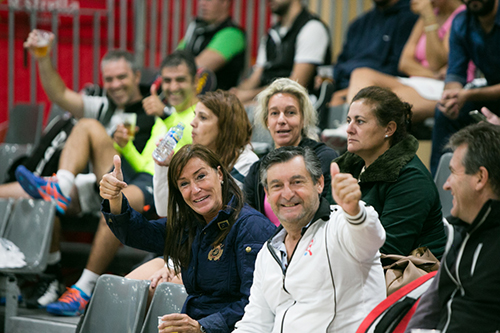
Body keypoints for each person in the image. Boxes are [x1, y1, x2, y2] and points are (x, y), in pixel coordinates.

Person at [14, 50, 199, 316]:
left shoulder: (195, 114)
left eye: (180, 80)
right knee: (87, 125)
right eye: (167, 81)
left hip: (165, 187)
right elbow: (146, 160)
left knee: (112, 209)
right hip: (141, 176)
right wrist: (123, 148)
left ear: (196, 81)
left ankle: (83, 287)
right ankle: (61, 186)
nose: (172, 87)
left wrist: (168, 115)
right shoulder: (160, 115)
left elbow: (192, 156)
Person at [0, 30, 158, 312]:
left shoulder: (155, 105)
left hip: (140, 182)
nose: (115, 84)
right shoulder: (102, 106)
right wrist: (44, 57)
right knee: (14, 193)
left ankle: (83, 287)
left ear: (136, 76)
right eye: (108, 79)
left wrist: (165, 112)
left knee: (87, 128)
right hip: (101, 178)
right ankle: (48, 275)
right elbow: (59, 94)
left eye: (122, 77)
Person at [99, 145, 276, 333]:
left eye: (201, 176)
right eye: (184, 184)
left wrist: (203, 327)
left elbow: (256, 305)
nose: (195, 189)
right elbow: (140, 233)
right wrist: (115, 198)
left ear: (220, 174)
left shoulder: (251, 227)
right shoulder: (190, 224)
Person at [233, 146, 386, 332]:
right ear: (267, 193)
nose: (287, 194)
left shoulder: (340, 224)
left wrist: (354, 211)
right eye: (277, 186)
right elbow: (255, 323)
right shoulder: (268, 252)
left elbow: (371, 237)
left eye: (297, 182)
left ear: (319, 183)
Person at [126, 90, 260, 285]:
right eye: (195, 115)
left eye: (203, 117)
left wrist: (172, 266)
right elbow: (165, 211)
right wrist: (163, 167)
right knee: (126, 287)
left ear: (226, 126)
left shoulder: (246, 163)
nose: (192, 123)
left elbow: (213, 222)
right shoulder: (198, 159)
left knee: (156, 288)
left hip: (222, 258)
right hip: (190, 252)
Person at [405, 122, 500, 333]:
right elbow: (429, 309)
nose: (446, 184)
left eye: (453, 173)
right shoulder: (461, 233)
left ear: (480, 178)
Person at [333, 86, 446, 257]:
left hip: (410, 275)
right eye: (349, 120)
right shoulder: (346, 167)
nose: (349, 129)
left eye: (360, 121)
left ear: (389, 129)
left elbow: (388, 251)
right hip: (357, 265)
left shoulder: (412, 179)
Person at [345, 0, 468, 122]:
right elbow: (404, 63)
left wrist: (429, 17)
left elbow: (436, 62)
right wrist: (432, 75)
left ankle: (355, 128)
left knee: (380, 104)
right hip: (420, 81)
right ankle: (352, 124)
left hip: (446, 88)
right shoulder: (429, 15)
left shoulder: (460, 16)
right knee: (360, 74)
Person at [243, 78, 338, 226]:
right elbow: (249, 222)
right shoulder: (256, 171)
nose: (281, 120)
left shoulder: (323, 158)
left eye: (290, 112)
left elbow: (326, 216)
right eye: (274, 113)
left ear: (304, 119)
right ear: (267, 121)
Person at [430, 0, 500, 176]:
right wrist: (452, 98)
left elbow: (467, 92)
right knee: (445, 113)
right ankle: (441, 186)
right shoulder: (462, 22)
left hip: (488, 93)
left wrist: (467, 95)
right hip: (490, 93)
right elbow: (454, 74)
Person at [231, 0, 331, 104]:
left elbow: (296, 85)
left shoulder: (312, 28)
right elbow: (255, 79)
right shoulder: (271, 33)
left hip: (297, 108)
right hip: (267, 102)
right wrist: (233, 95)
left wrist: (249, 95)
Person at [330, 0, 418, 106]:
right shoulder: (358, 24)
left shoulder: (410, 19)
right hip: (341, 89)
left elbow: (397, 69)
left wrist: (349, 92)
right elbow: (341, 63)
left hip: (379, 90)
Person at [177, 0, 246, 90]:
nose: (202, 3)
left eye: (209, 0)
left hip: (215, 100)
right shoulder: (197, 28)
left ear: (224, 2)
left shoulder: (232, 34)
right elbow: (173, 61)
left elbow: (196, 68)